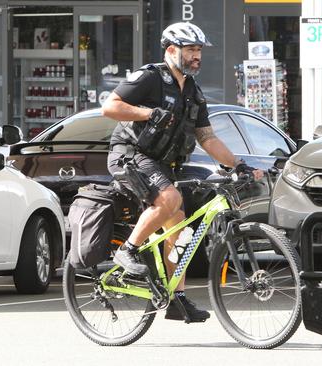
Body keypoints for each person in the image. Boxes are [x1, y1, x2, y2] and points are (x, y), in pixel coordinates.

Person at [101, 22, 263, 323]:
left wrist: (238, 165)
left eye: (199, 50)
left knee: (182, 231)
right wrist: (148, 113)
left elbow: (207, 138)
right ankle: (129, 250)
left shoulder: (193, 91)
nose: (197, 56)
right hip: (131, 156)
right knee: (170, 197)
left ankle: (176, 297)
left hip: (162, 164)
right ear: (171, 50)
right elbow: (110, 107)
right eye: (191, 49)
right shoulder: (150, 78)